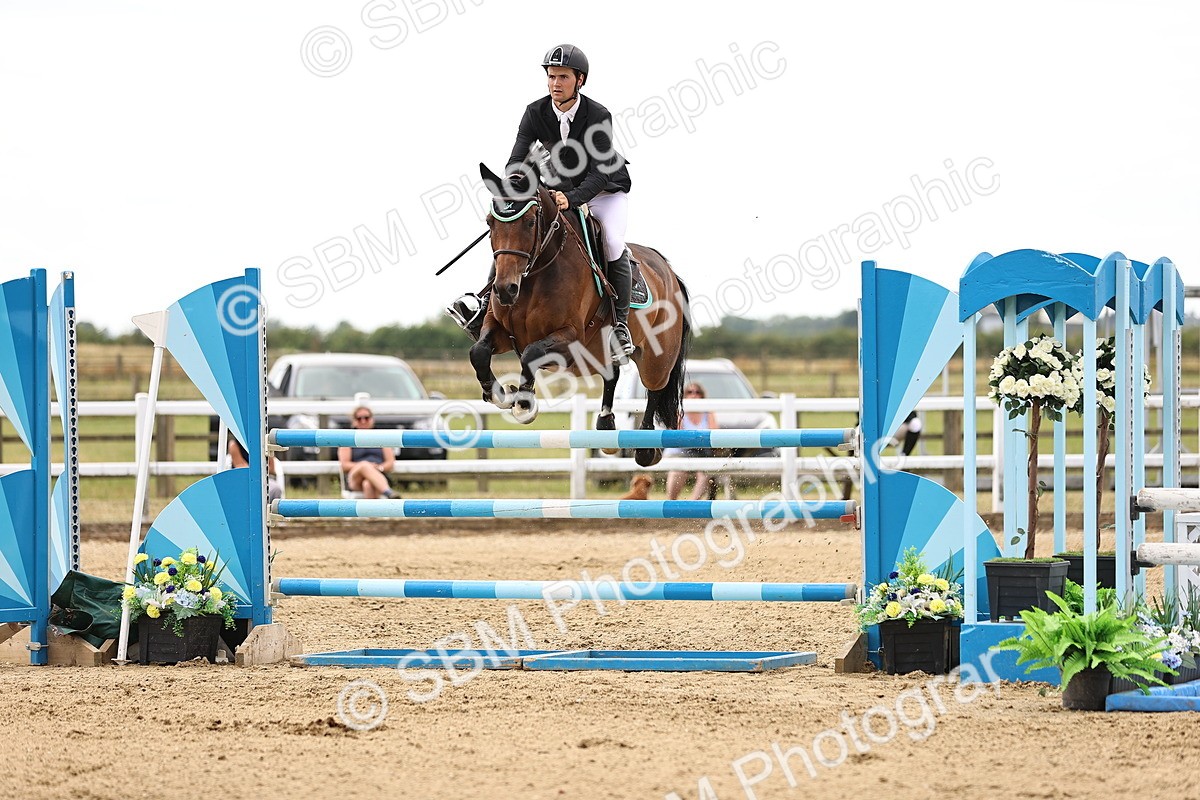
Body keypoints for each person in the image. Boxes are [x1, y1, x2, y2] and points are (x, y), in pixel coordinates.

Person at [447, 43, 635, 364]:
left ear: (580, 80)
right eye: (551, 76)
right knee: (517, 230)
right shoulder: (535, 112)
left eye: (563, 76)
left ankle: (619, 325)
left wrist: (573, 199)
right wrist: (515, 193)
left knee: (612, 241)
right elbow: (516, 160)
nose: (555, 83)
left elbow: (600, 172)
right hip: (556, 188)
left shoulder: (598, 115)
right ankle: (483, 304)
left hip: (604, 190)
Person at [666, 383, 719, 500]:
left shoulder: (708, 413)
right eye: (690, 392)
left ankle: (691, 505)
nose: (694, 395)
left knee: (705, 473)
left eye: (697, 392)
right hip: (680, 452)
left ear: (702, 396)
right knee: (678, 470)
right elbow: (678, 438)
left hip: (701, 452)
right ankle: (671, 503)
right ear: (685, 396)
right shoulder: (679, 412)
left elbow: (715, 434)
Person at [338, 406, 396, 499]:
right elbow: (344, 465)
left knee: (368, 484)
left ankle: (371, 513)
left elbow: (390, 463)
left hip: (378, 474)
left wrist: (378, 468)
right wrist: (366, 466)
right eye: (359, 418)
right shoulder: (347, 439)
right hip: (355, 478)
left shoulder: (381, 437)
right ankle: (388, 492)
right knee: (364, 465)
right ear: (354, 421)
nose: (363, 421)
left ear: (372, 419)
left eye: (366, 418)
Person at [228, 438, 282, 503]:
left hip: (264, 479)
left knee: (276, 489)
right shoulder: (234, 445)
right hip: (243, 481)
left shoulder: (264, 442)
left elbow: (271, 468)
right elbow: (242, 468)